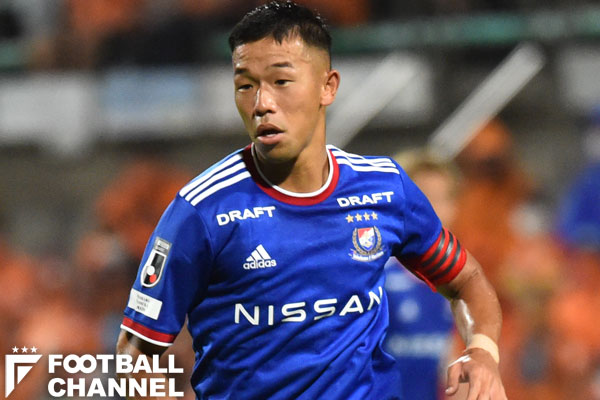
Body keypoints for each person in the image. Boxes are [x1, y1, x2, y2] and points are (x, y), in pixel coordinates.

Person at [116, 2, 506, 399]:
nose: (261, 103)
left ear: (328, 86)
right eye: (245, 85)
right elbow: (134, 357)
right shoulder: (202, 210)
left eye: (281, 81)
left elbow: (466, 282)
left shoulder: (386, 188)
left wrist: (482, 353)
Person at [383, 151, 460, 400]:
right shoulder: (375, 276)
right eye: (425, 197)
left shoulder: (465, 283)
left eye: (441, 198)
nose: (433, 209)